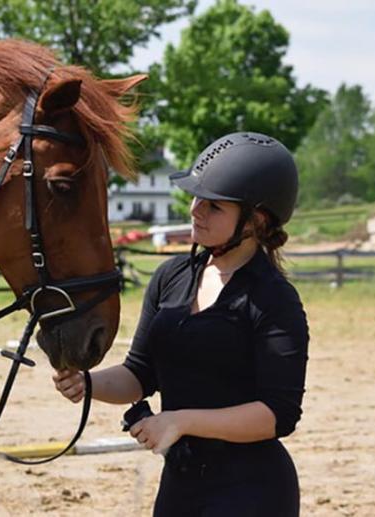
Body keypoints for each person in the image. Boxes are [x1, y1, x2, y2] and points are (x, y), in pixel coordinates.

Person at [53, 131, 309, 516]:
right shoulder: (171, 277)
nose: (195, 210)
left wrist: (180, 421)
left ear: (255, 220)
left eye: (213, 206)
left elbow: (278, 414)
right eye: (195, 197)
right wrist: (88, 383)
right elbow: (139, 373)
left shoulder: (275, 299)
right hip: (181, 484)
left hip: (252, 491)